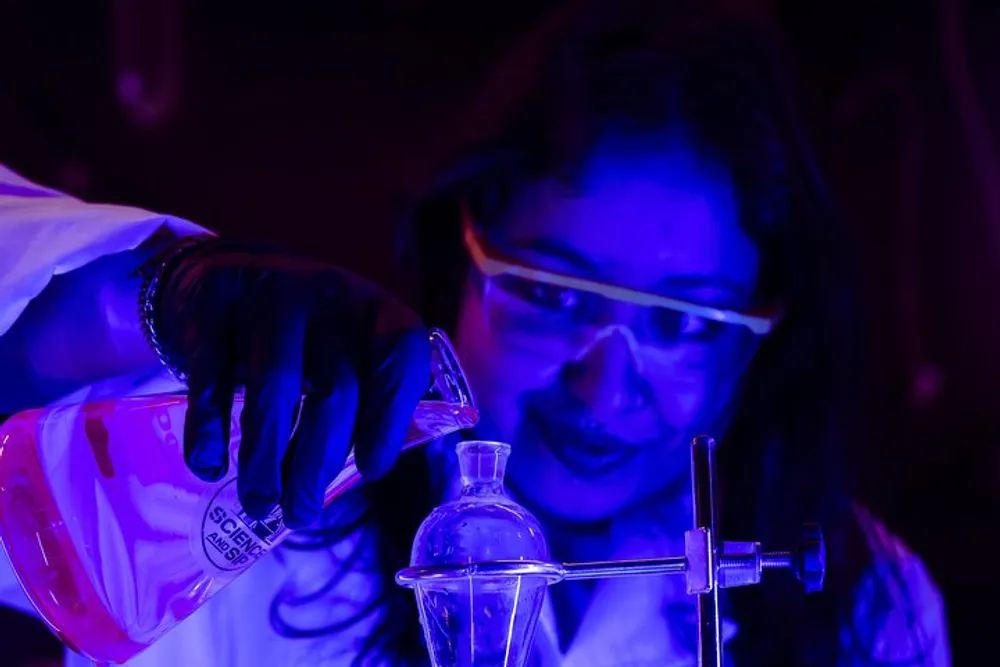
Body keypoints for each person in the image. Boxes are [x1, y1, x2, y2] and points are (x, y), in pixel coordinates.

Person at [0, 1, 949, 665]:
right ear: (463, 250)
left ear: (765, 330)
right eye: (554, 292)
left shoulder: (869, 612)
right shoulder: (261, 509)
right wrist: (146, 297)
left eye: (678, 320)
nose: (604, 388)